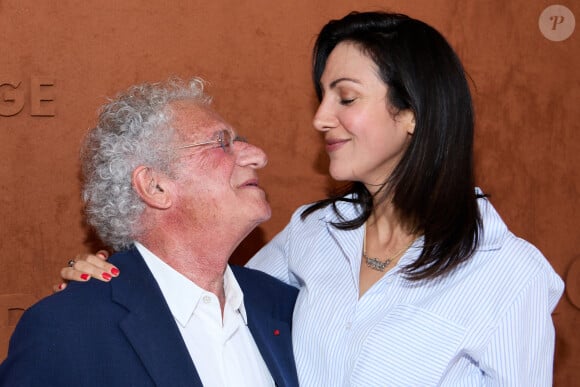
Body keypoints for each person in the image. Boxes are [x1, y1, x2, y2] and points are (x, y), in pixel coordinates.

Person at [55, 11, 564, 386]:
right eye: (322, 96)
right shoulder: (312, 233)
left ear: (412, 112)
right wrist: (118, 276)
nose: (321, 118)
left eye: (346, 97)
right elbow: (207, 294)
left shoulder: (507, 272)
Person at [0, 78, 299, 387]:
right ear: (155, 186)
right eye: (222, 143)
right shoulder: (68, 329)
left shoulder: (285, 307)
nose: (258, 155)